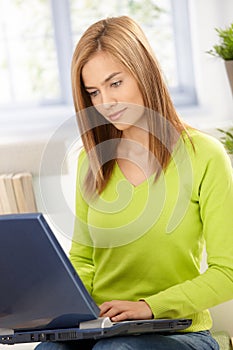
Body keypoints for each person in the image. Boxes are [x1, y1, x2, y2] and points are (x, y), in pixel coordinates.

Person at [35, 16, 233, 350]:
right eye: (94, 92)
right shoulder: (92, 161)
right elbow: (83, 261)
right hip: (102, 329)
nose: (106, 103)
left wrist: (148, 307)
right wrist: (56, 310)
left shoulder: (204, 155)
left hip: (179, 331)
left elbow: (227, 271)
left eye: (116, 83)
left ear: (144, 72)